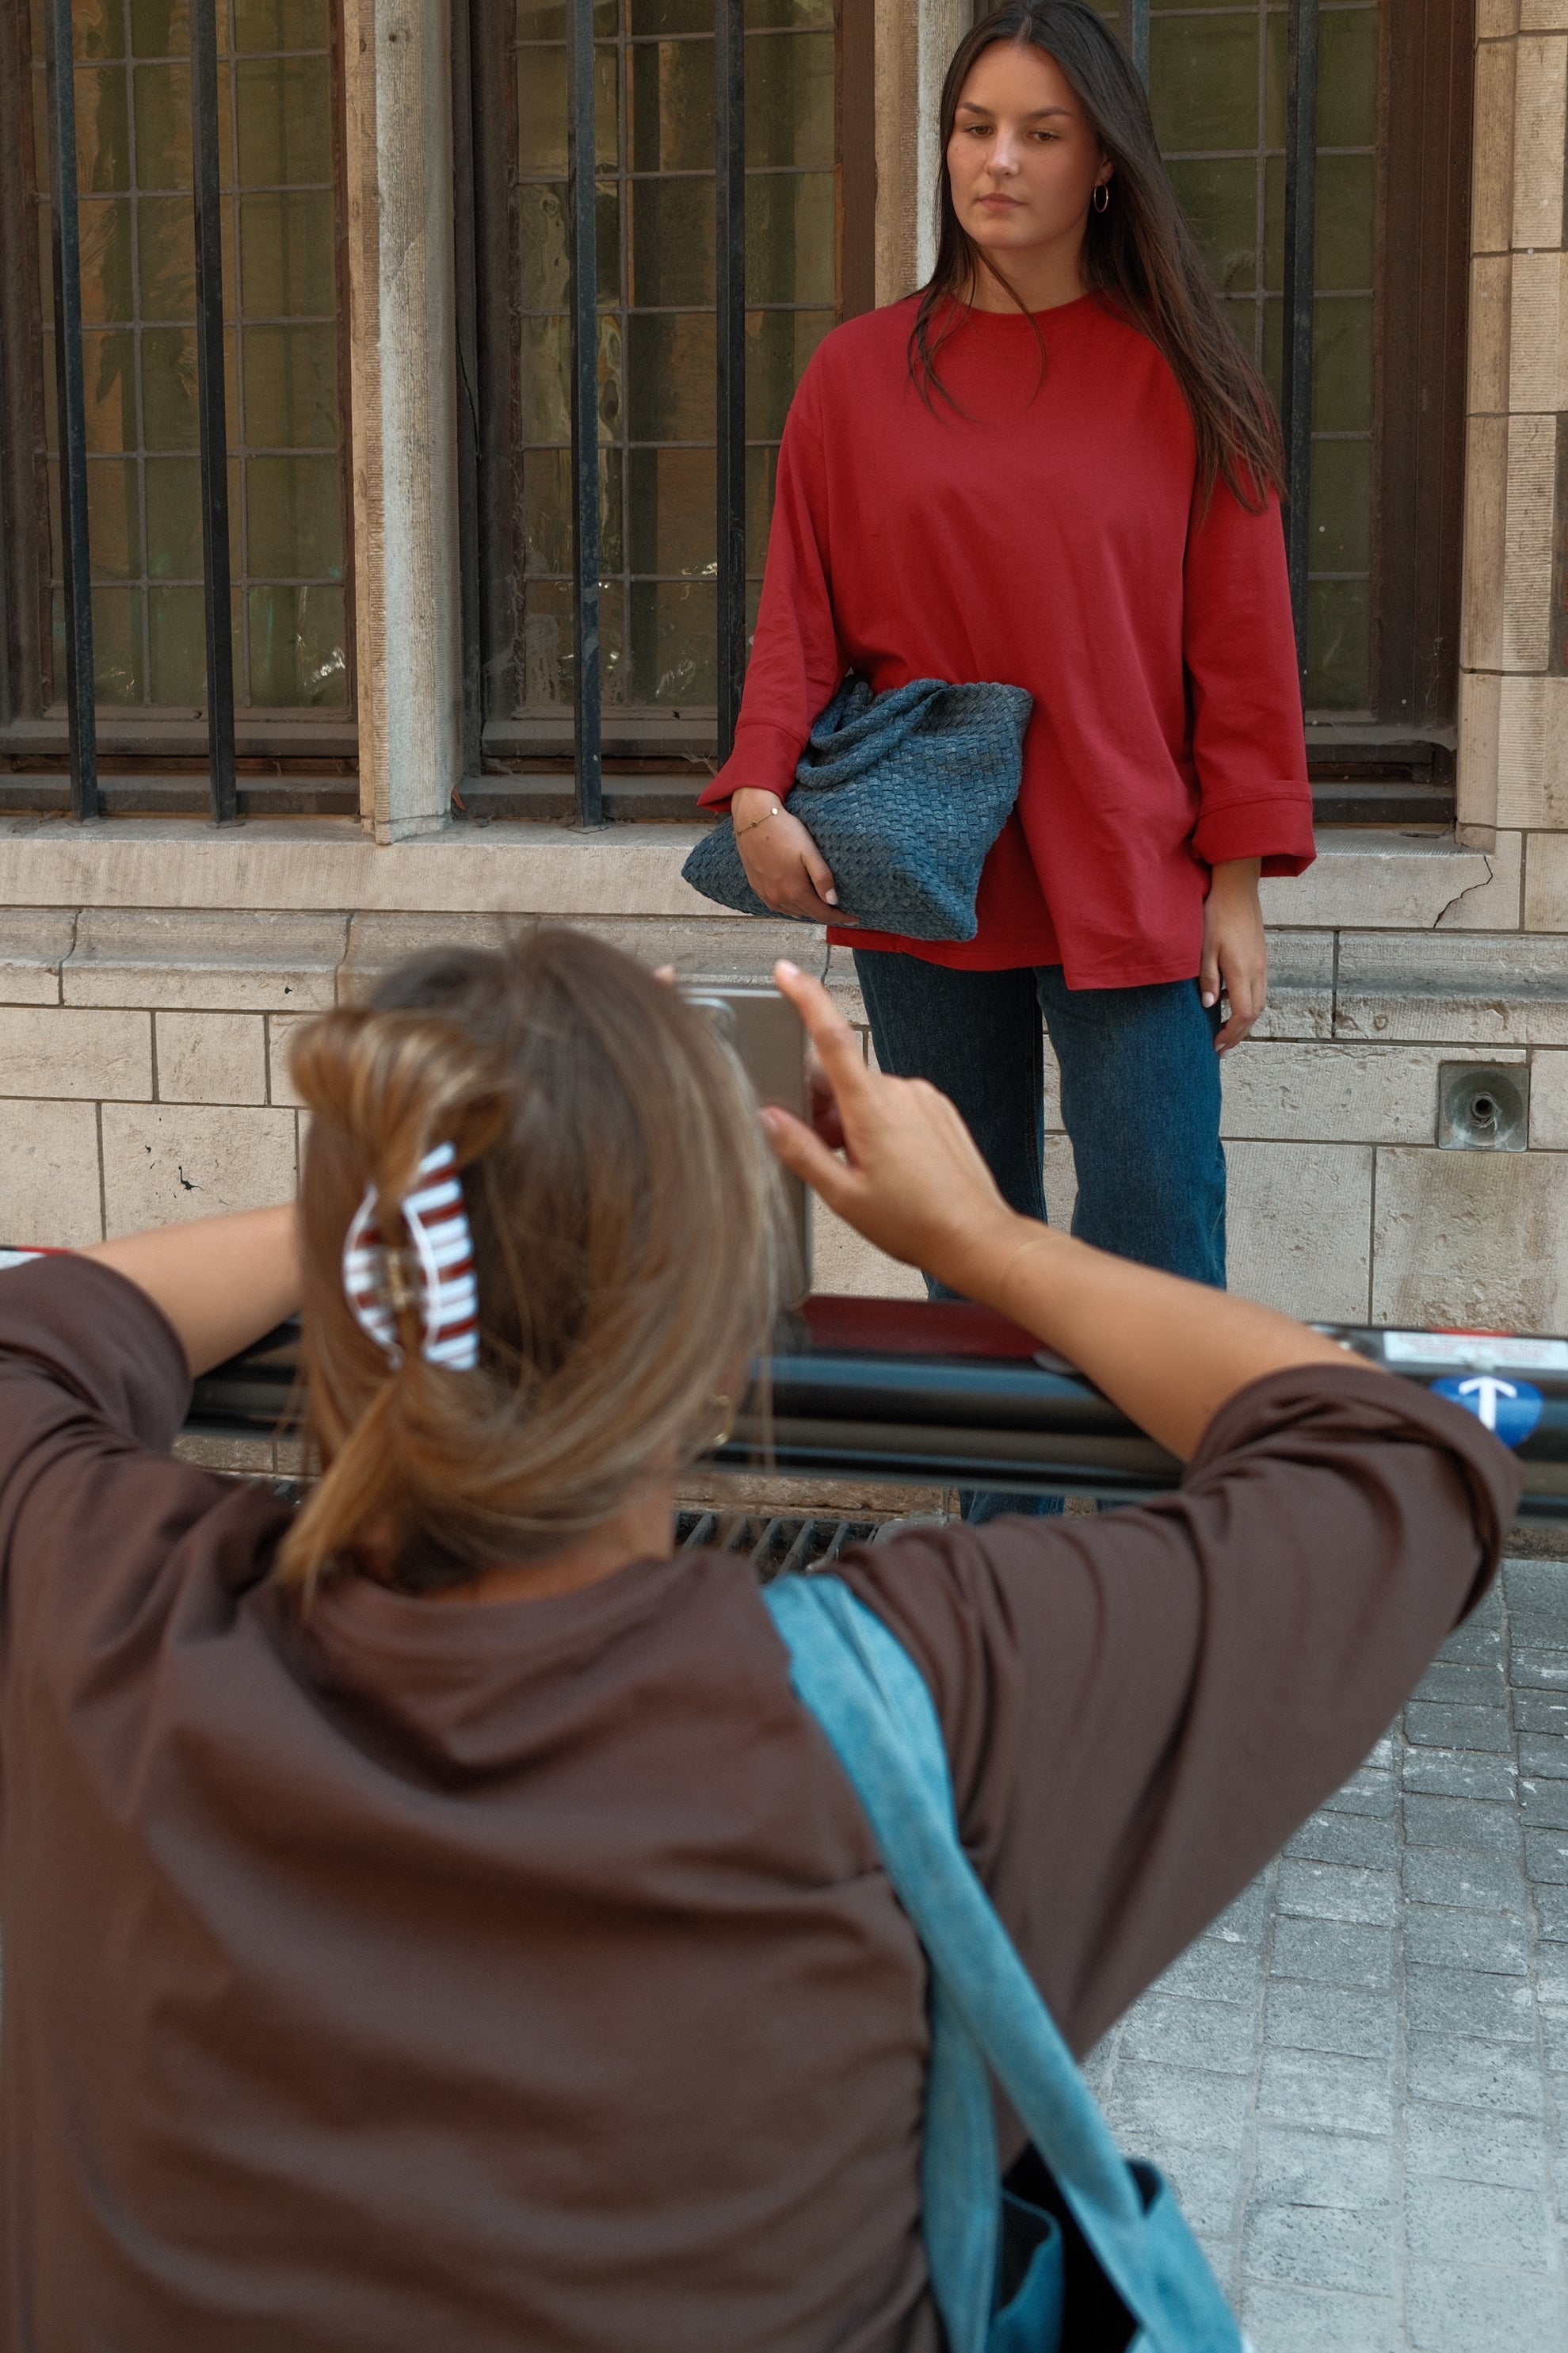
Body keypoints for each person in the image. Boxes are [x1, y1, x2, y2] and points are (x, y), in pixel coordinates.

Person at [0, 930, 1516, 2353]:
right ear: (727, 1352)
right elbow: (1389, 1451)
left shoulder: (100, 1617)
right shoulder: (915, 1703)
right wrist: (983, 1241)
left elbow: (44, 1334)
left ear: (359, 1289)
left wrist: (439, 1176)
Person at [705, 0, 1313, 1324]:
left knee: (1159, 1237)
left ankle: (1176, 1533)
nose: (999, 161)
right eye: (975, 129)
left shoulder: (1191, 381)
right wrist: (759, 789)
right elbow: (796, 614)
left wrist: (1239, 879)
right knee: (967, 1253)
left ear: (1105, 165)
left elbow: (1245, 654)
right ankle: (1004, 1532)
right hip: (929, 870)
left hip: (1130, 856)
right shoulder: (854, 376)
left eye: (1042, 134)